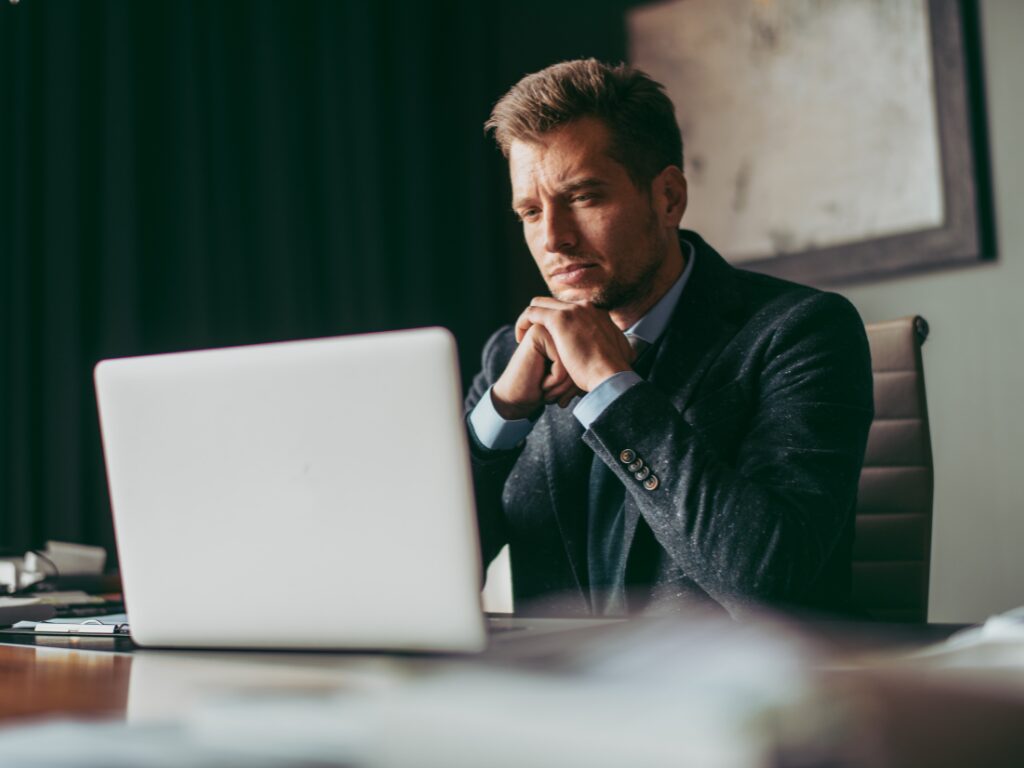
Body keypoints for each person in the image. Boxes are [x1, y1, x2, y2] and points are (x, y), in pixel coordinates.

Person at [465, 59, 873, 618]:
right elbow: (417, 574)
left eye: (584, 197)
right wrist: (502, 415)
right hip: (558, 694)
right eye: (531, 212)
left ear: (668, 198)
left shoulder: (802, 332)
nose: (553, 239)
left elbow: (766, 579)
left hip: (731, 696)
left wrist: (613, 390)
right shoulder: (508, 359)